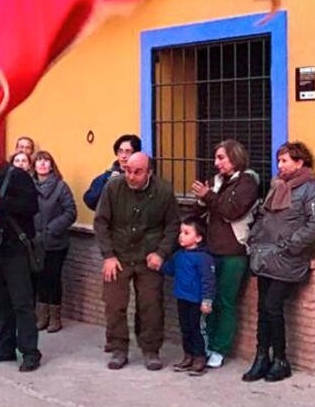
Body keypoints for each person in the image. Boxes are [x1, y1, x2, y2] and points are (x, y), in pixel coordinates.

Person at [243, 141, 315, 384]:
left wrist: (289, 246)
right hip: (265, 257)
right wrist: (254, 238)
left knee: (273, 307)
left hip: (288, 259)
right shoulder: (277, 187)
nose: (279, 165)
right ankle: (261, 357)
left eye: (284, 161)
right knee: (263, 309)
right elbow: (264, 217)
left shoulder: (313, 190)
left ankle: (281, 359)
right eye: (278, 160)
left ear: (299, 162)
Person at [93, 152, 180, 371]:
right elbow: (101, 223)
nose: (131, 176)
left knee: (150, 305)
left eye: (137, 172)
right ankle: (118, 348)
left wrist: (161, 253)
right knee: (114, 304)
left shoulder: (164, 191)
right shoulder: (113, 188)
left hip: (148, 256)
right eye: (128, 171)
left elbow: (172, 226)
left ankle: (151, 349)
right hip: (118, 255)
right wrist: (108, 256)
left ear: (149, 172)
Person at [191, 139, 260, 369]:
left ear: (235, 157)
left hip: (234, 252)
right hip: (211, 250)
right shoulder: (216, 182)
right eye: (216, 158)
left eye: (221, 158)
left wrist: (209, 196)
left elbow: (232, 211)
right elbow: (199, 211)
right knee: (208, 300)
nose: (216, 163)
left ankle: (220, 349)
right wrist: (202, 200)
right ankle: (206, 344)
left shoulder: (248, 181)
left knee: (225, 301)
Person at [0, 146, 42, 372]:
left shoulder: (17, 176)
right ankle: (4, 347)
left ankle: (30, 352)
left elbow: (31, 207)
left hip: (15, 248)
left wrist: (1, 202)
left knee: (22, 303)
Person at [162, 219, 216, 376]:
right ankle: (188, 355)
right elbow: (170, 269)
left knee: (197, 328)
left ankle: (200, 357)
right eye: (181, 232)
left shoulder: (204, 258)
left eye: (186, 233)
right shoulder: (178, 255)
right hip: (182, 298)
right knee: (185, 328)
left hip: (197, 301)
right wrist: (157, 265)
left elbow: (208, 281)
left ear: (198, 238)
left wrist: (207, 300)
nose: (181, 236)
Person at [32, 151, 77, 333]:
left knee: (53, 278)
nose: (42, 164)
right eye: (39, 161)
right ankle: (42, 316)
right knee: (40, 278)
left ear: (52, 165)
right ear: (34, 166)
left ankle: (55, 318)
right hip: (35, 241)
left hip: (56, 242)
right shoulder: (29, 186)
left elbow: (70, 212)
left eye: (46, 161)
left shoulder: (61, 187)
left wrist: (52, 228)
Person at [83, 134, 142, 211]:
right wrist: (107, 184)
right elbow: (90, 201)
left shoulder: (143, 177)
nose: (123, 156)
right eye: (120, 151)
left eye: (128, 152)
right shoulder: (106, 177)